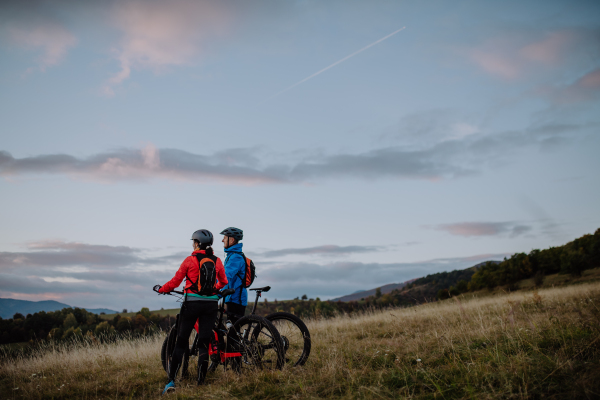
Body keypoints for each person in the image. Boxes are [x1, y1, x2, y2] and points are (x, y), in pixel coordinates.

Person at [154, 229, 228, 395]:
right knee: (203, 342)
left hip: (192, 304)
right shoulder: (216, 261)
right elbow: (224, 281)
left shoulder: (190, 260)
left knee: (181, 342)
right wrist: (213, 290)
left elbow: (175, 281)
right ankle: (200, 382)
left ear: (196, 243)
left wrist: (162, 289)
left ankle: (171, 381)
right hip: (211, 305)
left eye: (193, 242)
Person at [220, 227, 247, 325]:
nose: (222, 240)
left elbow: (226, 278)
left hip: (236, 299)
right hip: (232, 298)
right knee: (231, 329)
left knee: (233, 334)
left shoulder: (235, 257)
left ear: (231, 240)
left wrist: (214, 293)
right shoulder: (232, 256)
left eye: (224, 237)